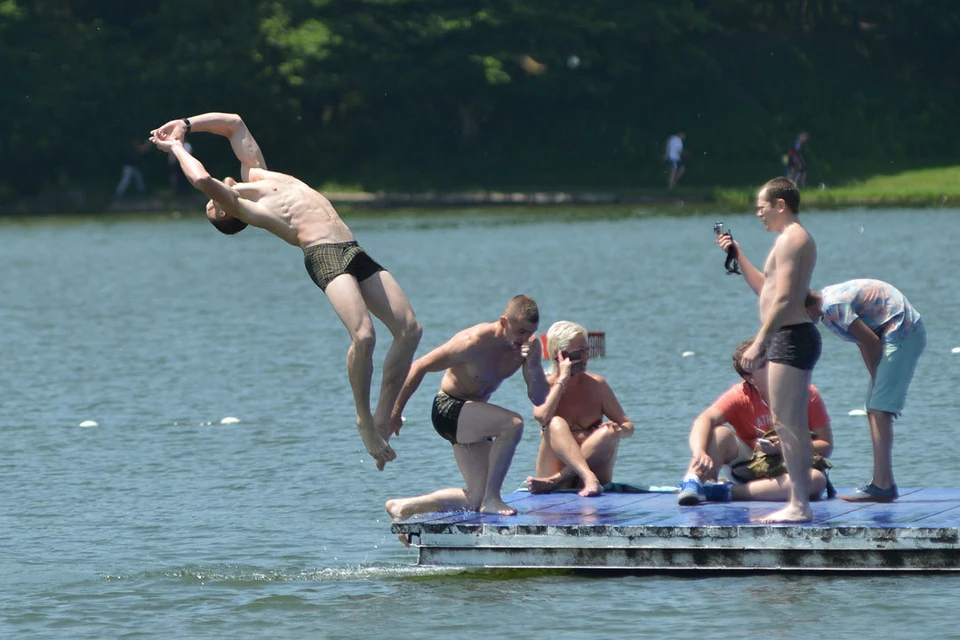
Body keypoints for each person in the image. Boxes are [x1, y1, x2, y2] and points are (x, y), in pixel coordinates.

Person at [149, 113, 421, 471]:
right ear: (226, 208)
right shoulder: (251, 208)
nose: (217, 189)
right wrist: (175, 147)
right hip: (324, 254)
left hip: (352, 248)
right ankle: (364, 421)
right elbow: (200, 178)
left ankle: (382, 417)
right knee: (364, 336)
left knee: (409, 330)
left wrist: (185, 123)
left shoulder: (257, 173)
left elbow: (234, 123)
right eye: (213, 202)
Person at [385, 296, 550, 523]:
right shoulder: (473, 342)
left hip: (472, 417)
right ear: (503, 322)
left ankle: (404, 507)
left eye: (530, 332)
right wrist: (395, 413)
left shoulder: (528, 348)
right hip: (448, 409)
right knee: (513, 424)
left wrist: (533, 365)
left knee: (474, 499)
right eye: (520, 331)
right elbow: (419, 366)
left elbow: (539, 398)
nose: (525, 339)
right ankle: (492, 499)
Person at [716, 176, 819, 522]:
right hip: (787, 335)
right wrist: (739, 255)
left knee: (787, 423)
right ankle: (799, 501)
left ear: (781, 204)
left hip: (791, 336)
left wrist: (761, 340)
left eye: (762, 205)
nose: (758, 212)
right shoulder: (785, 240)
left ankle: (799, 505)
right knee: (787, 421)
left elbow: (787, 298)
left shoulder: (793, 239)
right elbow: (767, 290)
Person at [806, 280, 925, 502]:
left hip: (903, 332)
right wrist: (878, 380)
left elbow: (871, 342)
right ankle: (883, 482)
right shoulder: (827, 308)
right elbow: (863, 342)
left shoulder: (832, 307)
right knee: (874, 407)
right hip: (891, 333)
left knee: (879, 410)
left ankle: (882, 486)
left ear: (805, 308)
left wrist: (883, 389)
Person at [677, 338, 834, 505]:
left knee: (816, 480)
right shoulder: (740, 394)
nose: (773, 368)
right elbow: (704, 419)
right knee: (718, 433)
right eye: (763, 366)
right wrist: (700, 451)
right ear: (750, 378)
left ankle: (726, 492)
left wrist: (784, 446)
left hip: (790, 466)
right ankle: (693, 482)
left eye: (774, 361)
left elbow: (826, 445)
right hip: (750, 465)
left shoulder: (807, 393)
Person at [525, 321, 633, 497]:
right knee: (555, 422)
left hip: (594, 470)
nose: (585, 358)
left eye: (587, 351)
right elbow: (542, 417)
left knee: (609, 433)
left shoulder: (597, 384)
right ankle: (577, 478)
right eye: (579, 352)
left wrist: (617, 429)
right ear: (559, 355)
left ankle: (560, 480)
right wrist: (563, 380)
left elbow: (629, 426)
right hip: (553, 465)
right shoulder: (543, 385)